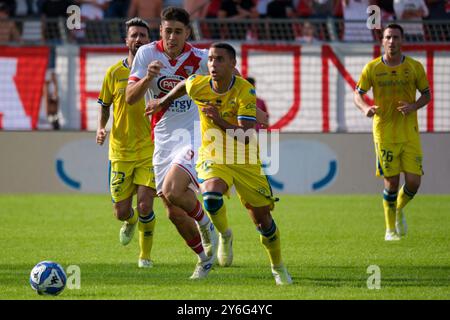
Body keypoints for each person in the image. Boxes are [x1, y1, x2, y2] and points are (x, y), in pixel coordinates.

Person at [146, 42, 293, 285]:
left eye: (220, 59)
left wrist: (219, 120)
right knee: (211, 198)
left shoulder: (245, 91)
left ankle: (278, 268)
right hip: (213, 154)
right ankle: (223, 234)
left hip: (244, 158)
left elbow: (246, 135)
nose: (213, 64)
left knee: (263, 220)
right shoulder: (200, 83)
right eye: (211, 59)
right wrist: (162, 102)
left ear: (233, 64)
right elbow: (185, 85)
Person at [126, 7, 218, 279]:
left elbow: (230, 77)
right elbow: (131, 97)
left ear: (188, 33)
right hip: (163, 138)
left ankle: (207, 225)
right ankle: (204, 259)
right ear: (161, 31)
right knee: (173, 212)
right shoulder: (146, 54)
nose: (172, 36)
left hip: (192, 133)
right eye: (168, 31)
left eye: (178, 31)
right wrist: (148, 78)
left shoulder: (201, 58)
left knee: (173, 189)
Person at [353, 24, 431, 241]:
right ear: (382, 41)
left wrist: (413, 106)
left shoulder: (414, 67)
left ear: (402, 40)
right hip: (384, 132)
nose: (392, 41)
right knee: (391, 181)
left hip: (409, 132)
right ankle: (390, 230)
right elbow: (357, 94)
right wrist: (365, 108)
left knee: (414, 182)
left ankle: (398, 210)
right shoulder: (372, 68)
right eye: (388, 37)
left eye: (396, 37)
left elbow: (426, 94)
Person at [96, 18, 157, 268]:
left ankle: (145, 257)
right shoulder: (114, 73)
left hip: (149, 149)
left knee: (145, 205)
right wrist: (101, 127)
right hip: (120, 150)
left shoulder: (157, 70)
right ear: (126, 40)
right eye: (134, 35)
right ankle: (129, 222)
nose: (138, 39)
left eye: (143, 35)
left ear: (149, 41)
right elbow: (104, 105)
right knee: (121, 211)